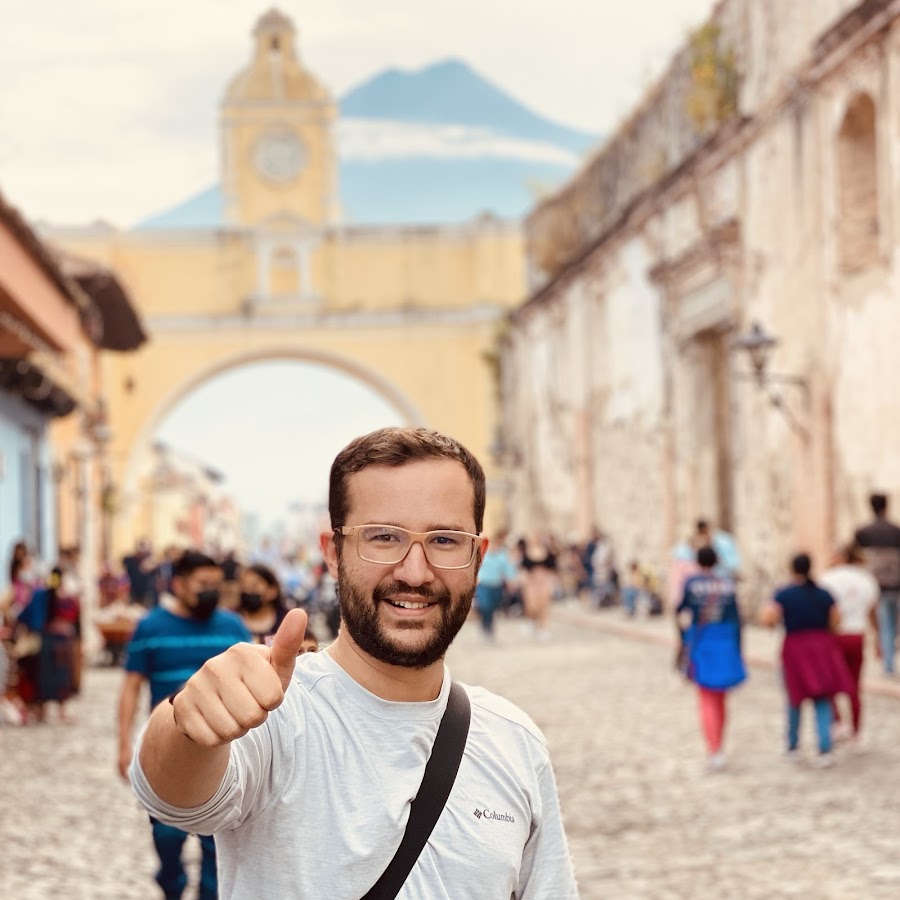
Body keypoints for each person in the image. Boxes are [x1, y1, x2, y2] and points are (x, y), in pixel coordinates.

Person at [129, 427, 579, 898]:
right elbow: (170, 795)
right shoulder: (275, 715)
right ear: (332, 554)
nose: (414, 572)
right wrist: (188, 722)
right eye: (383, 537)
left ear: (477, 557)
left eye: (445, 540)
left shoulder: (515, 742)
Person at [117, 550, 251, 900]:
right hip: (166, 756)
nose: (210, 591)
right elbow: (131, 687)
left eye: (215, 586)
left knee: (217, 851)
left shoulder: (233, 627)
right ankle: (171, 887)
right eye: (202, 584)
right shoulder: (150, 627)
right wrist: (123, 744)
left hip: (222, 758)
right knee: (166, 839)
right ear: (177, 584)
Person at [760, 553, 852, 767]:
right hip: (821, 646)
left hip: (795, 647)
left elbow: (767, 618)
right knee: (822, 697)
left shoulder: (784, 594)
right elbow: (836, 619)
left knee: (795, 696)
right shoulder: (823, 593)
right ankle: (825, 748)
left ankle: (793, 745)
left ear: (792, 569)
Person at [676, 545, 745, 772]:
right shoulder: (727, 584)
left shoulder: (692, 583)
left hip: (703, 640)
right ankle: (720, 745)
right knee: (721, 697)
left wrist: (682, 641)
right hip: (725, 641)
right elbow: (737, 617)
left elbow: (680, 610)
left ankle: (713, 748)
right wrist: (739, 649)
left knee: (706, 697)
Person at [818, 543, 880, 741]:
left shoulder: (828, 578)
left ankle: (837, 722)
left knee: (830, 682)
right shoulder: (866, 579)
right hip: (857, 635)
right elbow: (872, 612)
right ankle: (855, 729)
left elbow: (824, 610)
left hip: (835, 636)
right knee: (854, 685)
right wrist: (877, 637)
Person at [853, 492, 900, 674]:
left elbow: (856, 559)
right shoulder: (896, 531)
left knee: (884, 624)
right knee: (892, 623)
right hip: (895, 584)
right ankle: (888, 660)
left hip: (875, 585)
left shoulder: (863, 532)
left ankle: (887, 662)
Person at [474, 530, 518, 641]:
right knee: (486, 606)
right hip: (484, 584)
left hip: (496, 585)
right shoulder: (484, 553)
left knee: (493, 607)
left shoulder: (502, 555)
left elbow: (508, 569)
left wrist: (510, 582)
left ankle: (489, 626)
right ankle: (486, 627)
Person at [236, 563, 289, 645]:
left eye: (254, 586)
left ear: (272, 591)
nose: (248, 591)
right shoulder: (232, 619)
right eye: (244, 586)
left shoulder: (286, 621)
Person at [520, 533, 559, 641]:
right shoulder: (526, 553)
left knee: (544, 606)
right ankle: (531, 622)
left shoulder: (548, 553)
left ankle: (543, 629)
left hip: (544, 582)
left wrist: (551, 581)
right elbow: (523, 569)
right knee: (531, 606)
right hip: (531, 583)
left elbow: (553, 568)